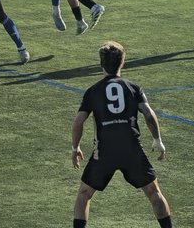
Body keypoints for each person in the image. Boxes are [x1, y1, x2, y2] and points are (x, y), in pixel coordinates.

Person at [71, 41, 172, 228]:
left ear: (101, 64)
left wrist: (75, 147)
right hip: (131, 149)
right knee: (154, 192)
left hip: (104, 152)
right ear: (122, 63)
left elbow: (78, 122)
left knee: (84, 194)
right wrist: (157, 140)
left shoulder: (93, 91)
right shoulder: (133, 88)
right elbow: (149, 115)